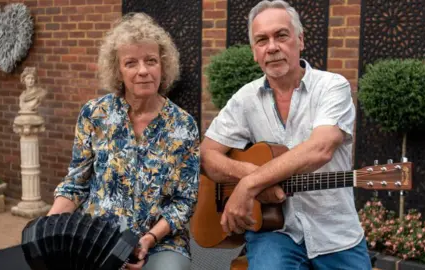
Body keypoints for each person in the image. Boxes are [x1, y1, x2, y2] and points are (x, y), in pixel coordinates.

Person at [200, 1, 371, 269]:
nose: (272, 47)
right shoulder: (245, 99)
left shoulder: (332, 86)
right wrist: (248, 177)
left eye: (281, 35)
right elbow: (207, 154)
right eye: (261, 40)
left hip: (335, 233)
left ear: (300, 40)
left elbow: (320, 149)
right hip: (274, 233)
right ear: (255, 52)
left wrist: (249, 185)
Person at [47, 13, 200, 270]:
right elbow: (76, 184)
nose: (143, 71)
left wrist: (148, 239)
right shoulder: (95, 114)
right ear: (118, 70)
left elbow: (184, 202)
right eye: (131, 63)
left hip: (160, 241)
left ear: (162, 66)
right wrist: (49, 227)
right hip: (99, 238)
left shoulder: (183, 126)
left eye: (151, 61)